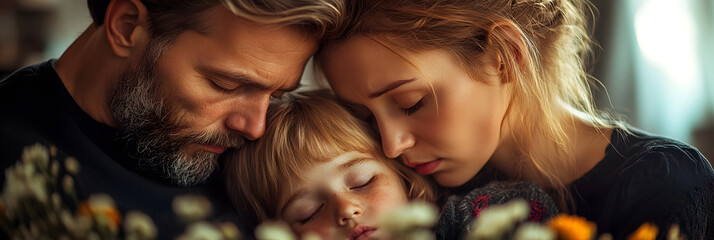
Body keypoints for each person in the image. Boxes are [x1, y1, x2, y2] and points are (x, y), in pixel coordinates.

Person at [315, 0, 714, 239]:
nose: (390, 146)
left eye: (411, 102)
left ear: (505, 56)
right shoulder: (413, 195)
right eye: (365, 117)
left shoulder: (667, 184)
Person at [0, 0, 346, 238]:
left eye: (278, 95)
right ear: (126, 26)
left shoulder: (265, 161)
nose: (255, 128)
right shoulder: (15, 166)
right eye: (226, 85)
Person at [223, 90, 558, 239]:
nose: (347, 209)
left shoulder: (471, 219)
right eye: (308, 212)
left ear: (403, 176)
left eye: (362, 181)